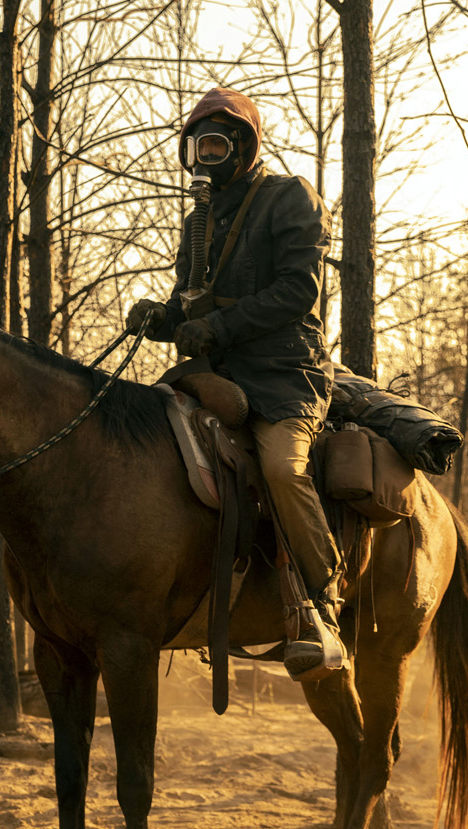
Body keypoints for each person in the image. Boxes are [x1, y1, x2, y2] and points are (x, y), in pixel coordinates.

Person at [124, 87, 343, 681]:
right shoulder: (200, 222)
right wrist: (160, 318)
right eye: (200, 144)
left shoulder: (289, 198)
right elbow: (188, 306)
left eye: (219, 142)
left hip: (281, 375)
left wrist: (216, 325)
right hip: (212, 378)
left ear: (244, 145)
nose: (208, 155)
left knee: (280, 468)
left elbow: (300, 291)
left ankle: (323, 606)